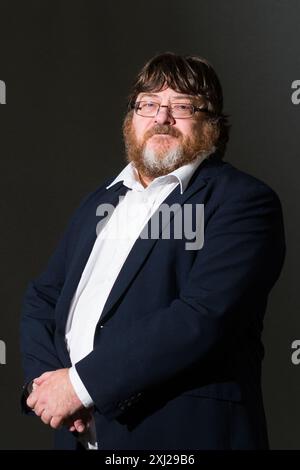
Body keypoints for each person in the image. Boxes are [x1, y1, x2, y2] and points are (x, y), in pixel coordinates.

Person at [20, 52, 285, 450]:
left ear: (211, 123)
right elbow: (43, 296)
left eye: (181, 106)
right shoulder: (101, 202)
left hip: (180, 437)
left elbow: (202, 318)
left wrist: (80, 386)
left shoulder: (243, 201)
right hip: (81, 437)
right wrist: (47, 385)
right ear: (132, 118)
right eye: (148, 103)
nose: (162, 117)